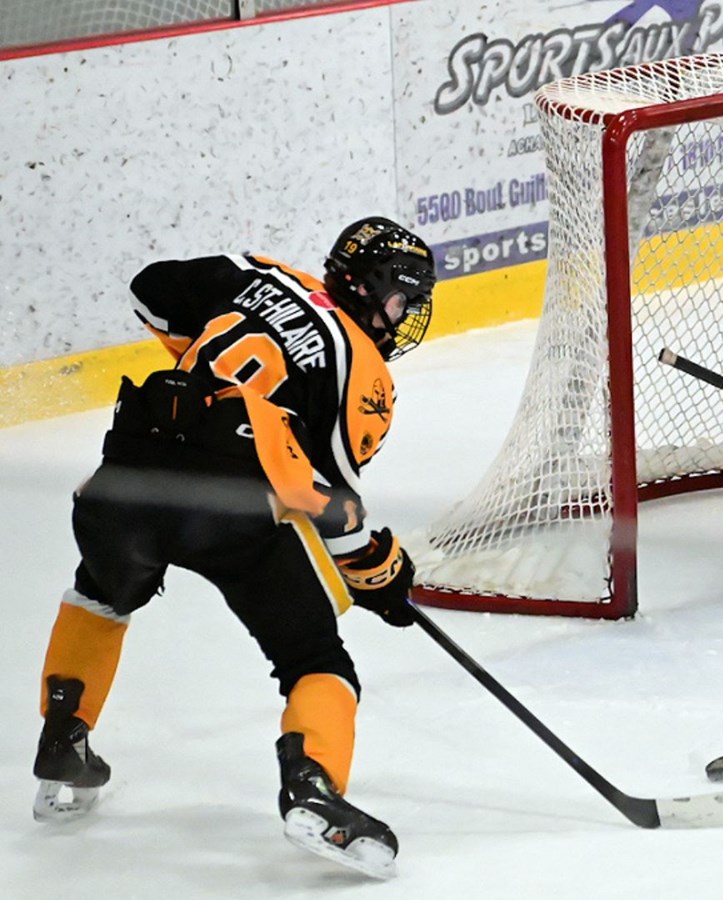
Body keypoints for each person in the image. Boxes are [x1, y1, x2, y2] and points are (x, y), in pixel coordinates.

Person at [31, 217, 435, 880]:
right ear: (375, 290)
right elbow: (328, 501)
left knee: (102, 591)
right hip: (226, 500)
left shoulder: (258, 273)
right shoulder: (362, 371)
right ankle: (313, 789)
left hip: (127, 465)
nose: (402, 317)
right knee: (313, 656)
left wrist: (210, 370)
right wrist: (379, 570)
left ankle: (63, 735)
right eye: (401, 301)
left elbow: (151, 289)